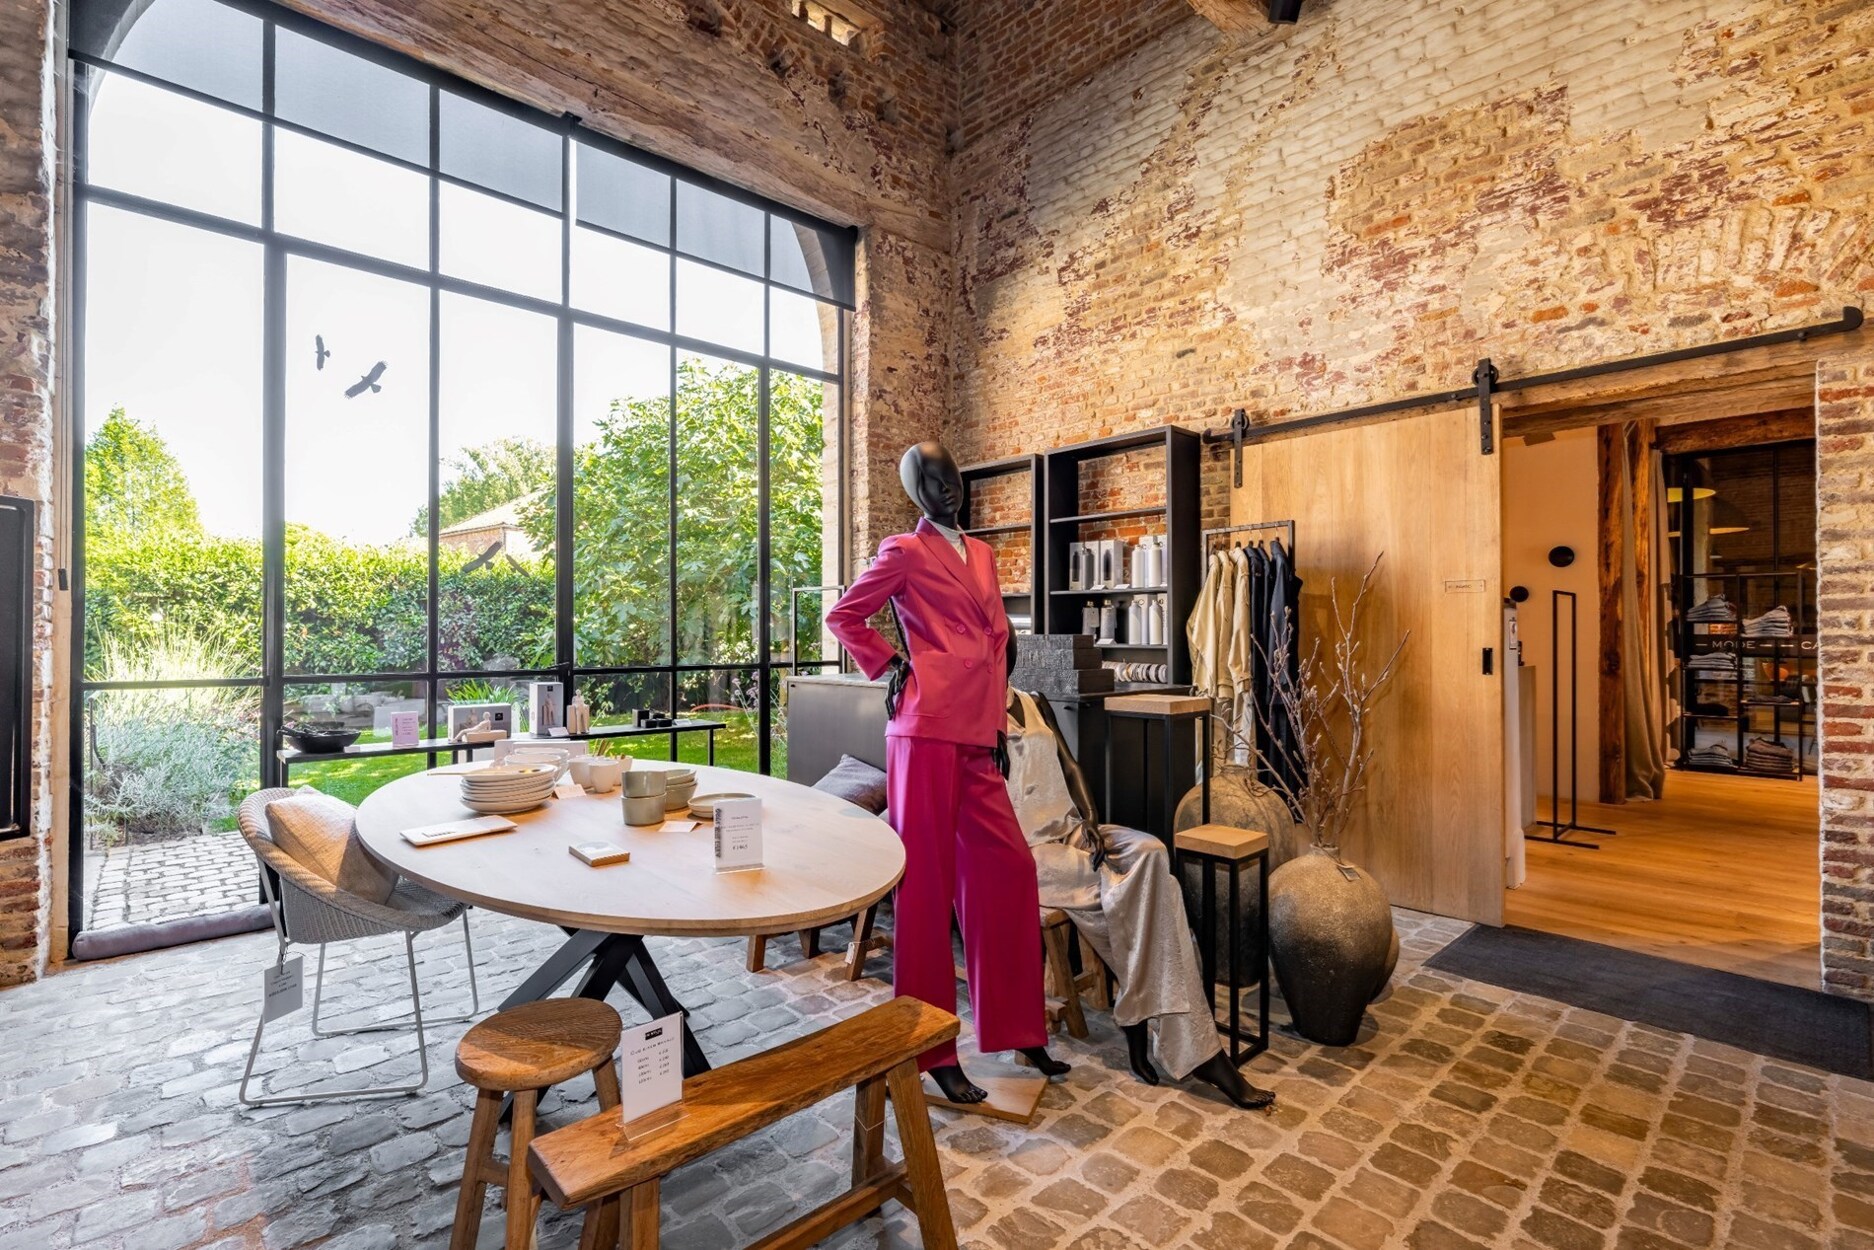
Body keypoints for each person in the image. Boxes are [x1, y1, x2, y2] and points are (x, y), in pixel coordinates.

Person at [825, 439, 1068, 1105]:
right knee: (926, 892)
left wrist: (997, 726)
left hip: (977, 734)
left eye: (951, 474)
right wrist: (889, 663)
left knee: (1009, 872)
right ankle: (931, 1049)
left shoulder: (983, 554)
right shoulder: (904, 551)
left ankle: (1018, 1027)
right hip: (924, 730)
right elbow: (844, 615)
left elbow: (996, 647)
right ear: (915, 492)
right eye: (930, 479)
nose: (946, 487)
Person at [1004, 687, 1276, 1110]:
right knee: (1147, 891)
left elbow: (1069, 765)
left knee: (1152, 854)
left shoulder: (1034, 700)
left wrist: (1091, 819)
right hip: (1029, 852)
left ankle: (1134, 1010)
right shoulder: (970, 716)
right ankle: (1203, 1055)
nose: (1002, 658)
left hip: (1073, 830)